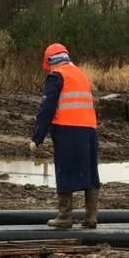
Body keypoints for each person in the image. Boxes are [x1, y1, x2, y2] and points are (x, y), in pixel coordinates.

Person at [29, 43, 100, 229]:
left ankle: (64, 216)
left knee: (65, 170)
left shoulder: (57, 76)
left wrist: (37, 137)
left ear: (50, 61)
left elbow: (47, 109)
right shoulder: (80, 75)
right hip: (89, 130)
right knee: (90, 171)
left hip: (68, 129)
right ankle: (91, 216)